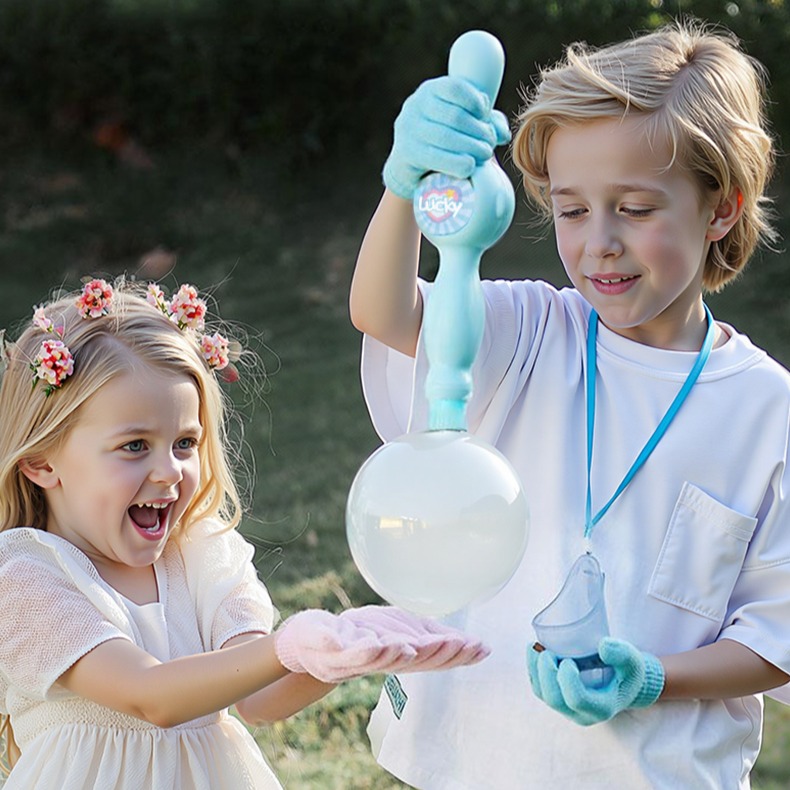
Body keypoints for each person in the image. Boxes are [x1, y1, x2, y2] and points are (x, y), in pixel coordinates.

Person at [349, 19, 790, 789]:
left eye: (636, 208)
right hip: (465, 763)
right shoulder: (532, 329)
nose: (599, 243)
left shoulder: (766, 412)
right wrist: (401, 184)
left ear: (721, 209)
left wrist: (651, 677)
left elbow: (775, 636)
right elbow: (385, 313)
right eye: (572, 209)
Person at [0, 276, 489, 789]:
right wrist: (288, 646)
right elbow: (150, 696)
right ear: (41, 461)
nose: (169, 471)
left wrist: (336, 650)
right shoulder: (26, 579)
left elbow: (258, 698)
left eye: (185, 442)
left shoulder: (201, 553)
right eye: (135, 446)